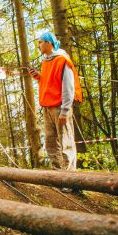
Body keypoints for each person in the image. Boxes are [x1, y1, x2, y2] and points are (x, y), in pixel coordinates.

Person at [28, 31, 79, 173]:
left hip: (60, 107)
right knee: (51, 142)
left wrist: (65, 110)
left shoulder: (62, 60)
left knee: (66, 142)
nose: (38, 46)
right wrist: (39, 76)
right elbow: (50, 82)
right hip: (47, 107)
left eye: (40, 42)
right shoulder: (45, 60)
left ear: (49, 43)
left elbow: (68, 86)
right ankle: (57, 173)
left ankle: (70, 176)